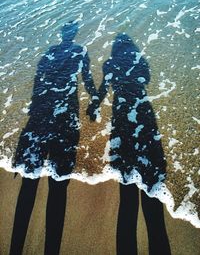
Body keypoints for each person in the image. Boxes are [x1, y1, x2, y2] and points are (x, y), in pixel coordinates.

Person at [10, 21, 97, 255]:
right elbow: (87, 80)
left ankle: (15, 249)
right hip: (65, 118)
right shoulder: (80, 50)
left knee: (29, 184)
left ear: (61, 34)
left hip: (39, 119)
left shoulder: (49, 53)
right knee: (58, 186)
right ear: (74, 34)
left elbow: (38, 86)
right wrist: (96, 99)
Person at [87, 33, 171, 255]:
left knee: (127, 202)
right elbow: (147, 79)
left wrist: (95, 103)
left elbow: (104, 87)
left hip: (122, 121)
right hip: (144, 117)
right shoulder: (140, 60)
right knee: (154, 208)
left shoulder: (109, 64)